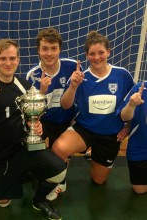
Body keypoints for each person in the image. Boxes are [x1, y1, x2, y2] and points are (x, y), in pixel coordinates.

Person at [0, 39, 66, 220]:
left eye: (12, 58)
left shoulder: (24, 86)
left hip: (23, 148)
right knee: (3, 202)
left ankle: (39, 200)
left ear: (18, 60)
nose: (8, 63)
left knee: (60, 169)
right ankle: (1, 182)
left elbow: (30, 115)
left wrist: (35, 124)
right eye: (3, 58)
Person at [52, 31, 134, 185]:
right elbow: (65, 105)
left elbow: (133, 102)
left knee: (98, 180)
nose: (97, 57)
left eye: (101, 52)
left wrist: (128, 126)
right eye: (92, 54)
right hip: (85, 130)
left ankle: (95, 154)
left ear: (108, 52)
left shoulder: (123, 75)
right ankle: (59, 183)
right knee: (59, 148)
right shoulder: (80, 77)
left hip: (110, 136)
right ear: (87, 55)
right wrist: (73, 86)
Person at [26, 27, 81, 200]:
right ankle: (41, 173)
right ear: (38, 50)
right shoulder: (32, 75)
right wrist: (42, 91)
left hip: (65, 118)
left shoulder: (72, 67)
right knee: (36, 150)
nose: (49, 53)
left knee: (62, 151)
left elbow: (67, 105)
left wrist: (73, 84)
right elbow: (33, 111)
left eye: (53, 48)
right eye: (45, 48)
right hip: (43, 120)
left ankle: (61, 177)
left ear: (60, 49)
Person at [118, 82, 147, 194]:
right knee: (139, 190)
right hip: (140, 149)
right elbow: (124, 117)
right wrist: (131, 105)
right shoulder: (140, 89)